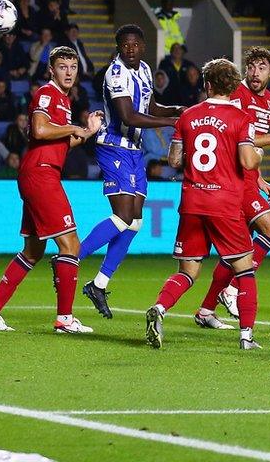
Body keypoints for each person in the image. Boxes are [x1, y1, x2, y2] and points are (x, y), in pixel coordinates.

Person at [0, 47, 103, 334]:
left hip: (39, 173)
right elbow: (40, 130)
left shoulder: (63, 100)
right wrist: (75, 127)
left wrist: (87, 133)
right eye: (62, 66)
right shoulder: (47, 93)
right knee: (71, 245)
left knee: (33, 251)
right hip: (41, 175)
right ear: (51, 70)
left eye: (72, 66)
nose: (68, 72)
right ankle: (65, 319)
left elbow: (59, 143)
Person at [145, 58, 263, 350]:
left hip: (192, 202)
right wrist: (258, 153)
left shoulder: (188, 116)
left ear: (207, 85)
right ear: (233, 86)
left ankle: (159, 308)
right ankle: (246, 337)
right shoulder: (240, 118)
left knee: (187, 271)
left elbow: (173, 160)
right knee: (245, 270)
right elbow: (248, 161)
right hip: (224, 204)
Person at [78, 25, 183, 319]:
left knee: (134, 222)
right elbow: (127, 115)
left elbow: (149, 106)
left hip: (134, 150)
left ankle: (98, 285)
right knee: (123, 216)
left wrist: (178, 109)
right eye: (125, 45)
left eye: (136, 44)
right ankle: (71, 258)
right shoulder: (116, 73)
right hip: (113, 146)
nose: (131, 49)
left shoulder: (146, 70)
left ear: (143, 46)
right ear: (119, 48)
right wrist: (172, 122)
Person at [193, 47, 270, 327]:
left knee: (235, 252)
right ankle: (233, 289)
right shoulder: (238, 94)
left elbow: (248, 144)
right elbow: (239, 134)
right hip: (235, 182)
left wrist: (259, 174)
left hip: (249, 177)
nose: (254, 72)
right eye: (251, 67)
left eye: (261, 67)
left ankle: (205, 310)